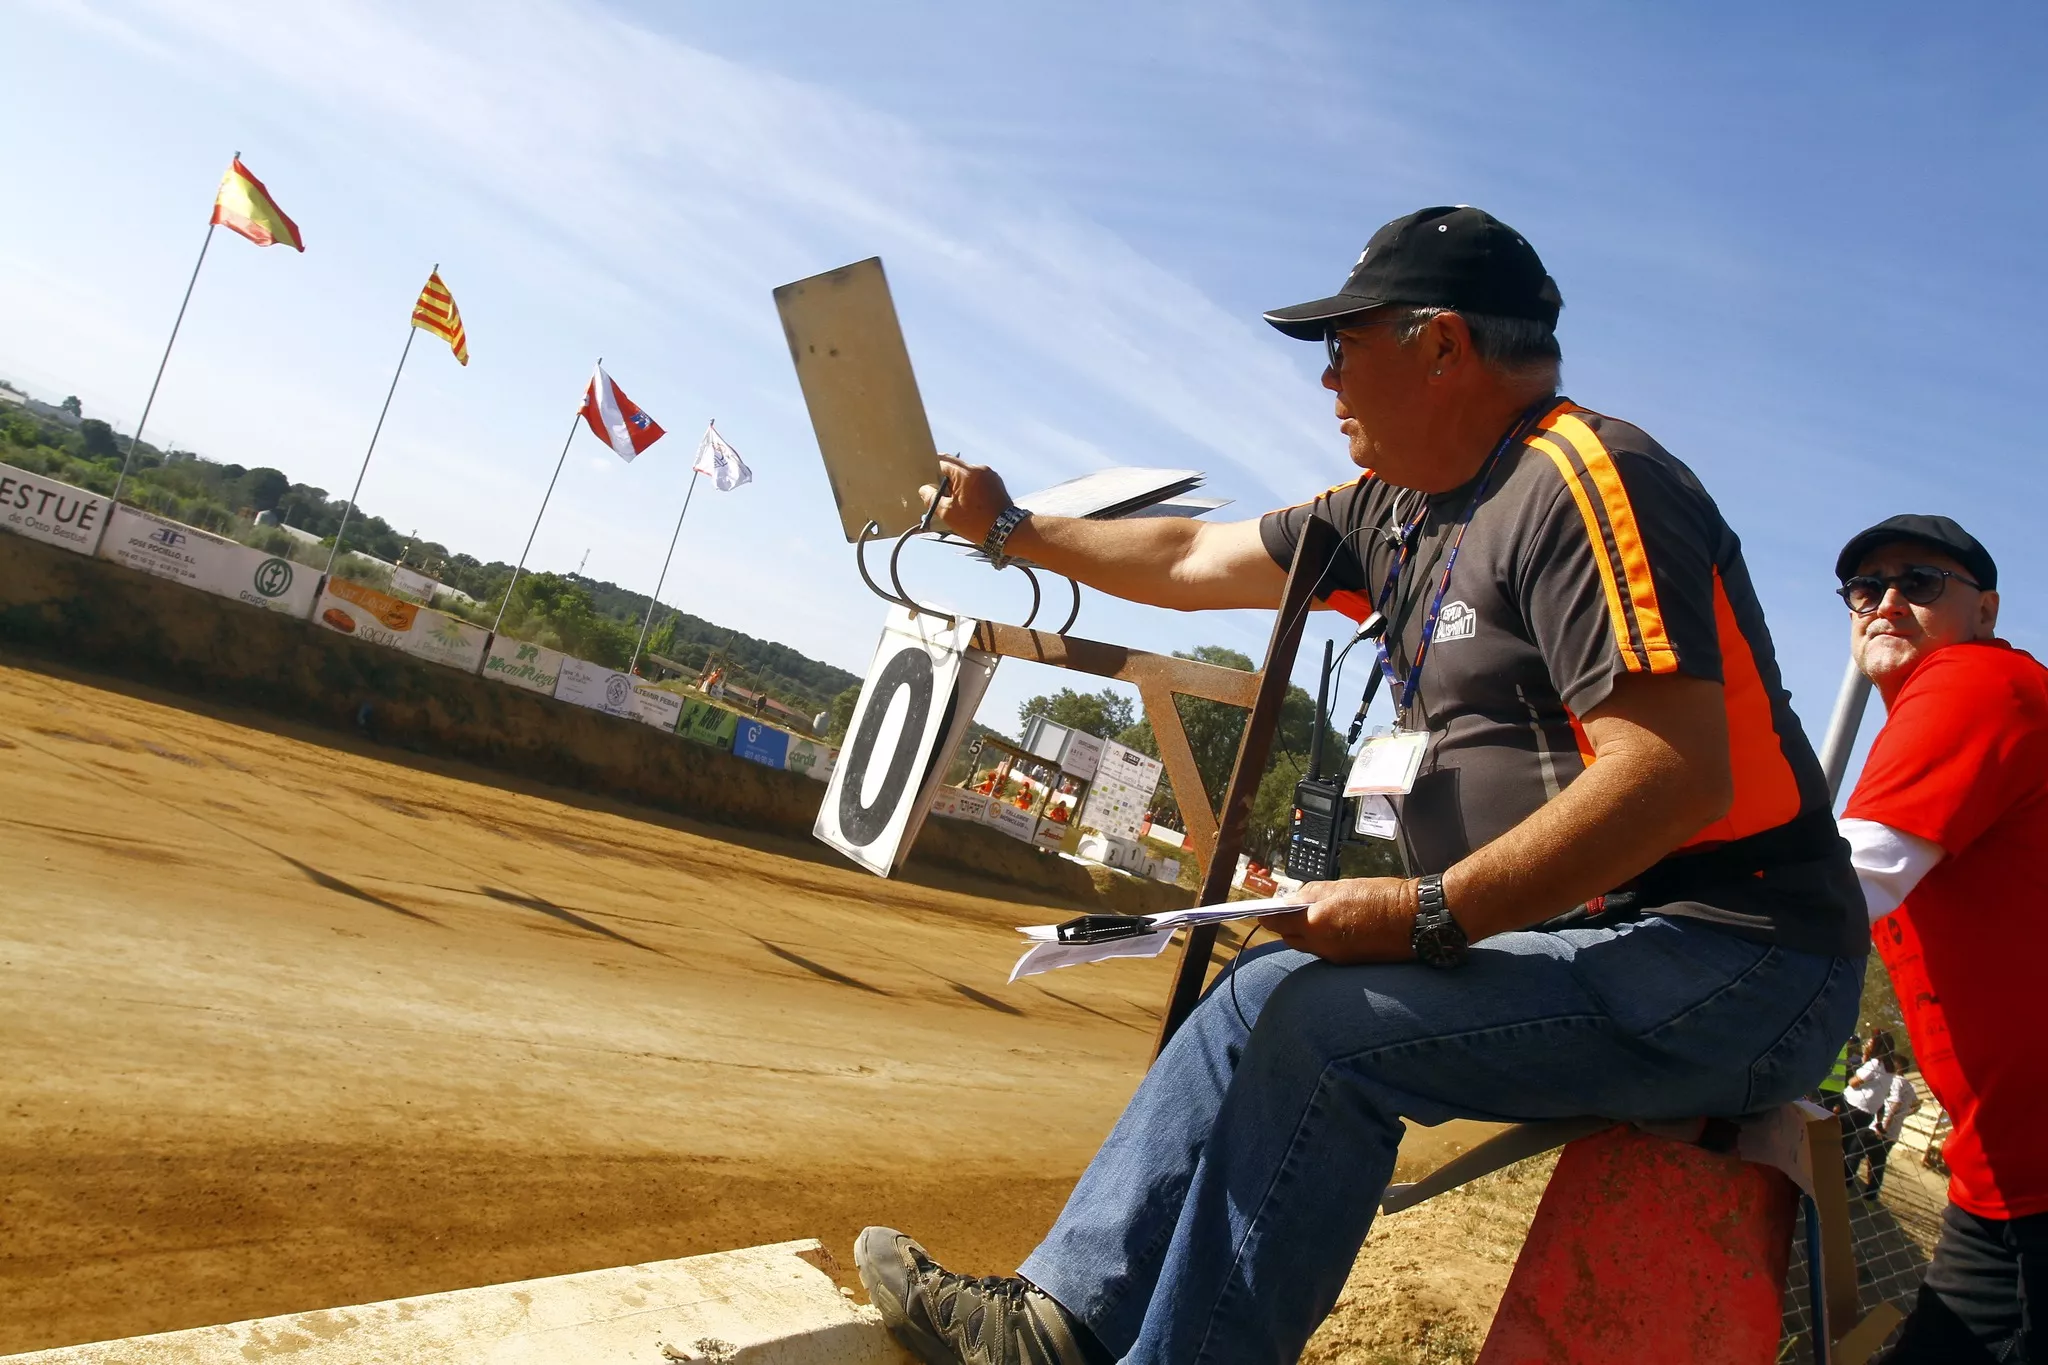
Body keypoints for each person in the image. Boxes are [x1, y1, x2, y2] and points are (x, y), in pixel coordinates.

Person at [853, 206, 1866, 1365]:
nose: (1325, 372)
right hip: (1602, 939)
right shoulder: (1388, 509)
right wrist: (1013, 528)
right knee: (1258, 988)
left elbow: (1670, 775)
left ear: (1440, 346)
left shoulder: (1585, 481)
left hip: (1737, 953)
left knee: (1322, 1029)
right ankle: (1061, 1324)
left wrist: (1426, 912)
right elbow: (1189, 558)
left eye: (1343, 340)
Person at [1827, 516, 2048, 1363]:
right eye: (1863, 588)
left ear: (1984, 610)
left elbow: (1840, 885)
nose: (1885, 602)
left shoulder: (1972, 682)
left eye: (1920, 582)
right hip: (2003, 1176)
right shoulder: (1948, 708)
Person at [1841, 1030, 1919, 1199]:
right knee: (1873, 1160)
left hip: (1864, 1116)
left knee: (1851, 1150)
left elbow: (1855, 1083)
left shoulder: (1880, 1067)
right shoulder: (1893, 1074)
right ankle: (1867, 1194)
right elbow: (1913, 1104)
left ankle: (1844, 1183)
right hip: (1875, 1119)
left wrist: (1884, 1124)